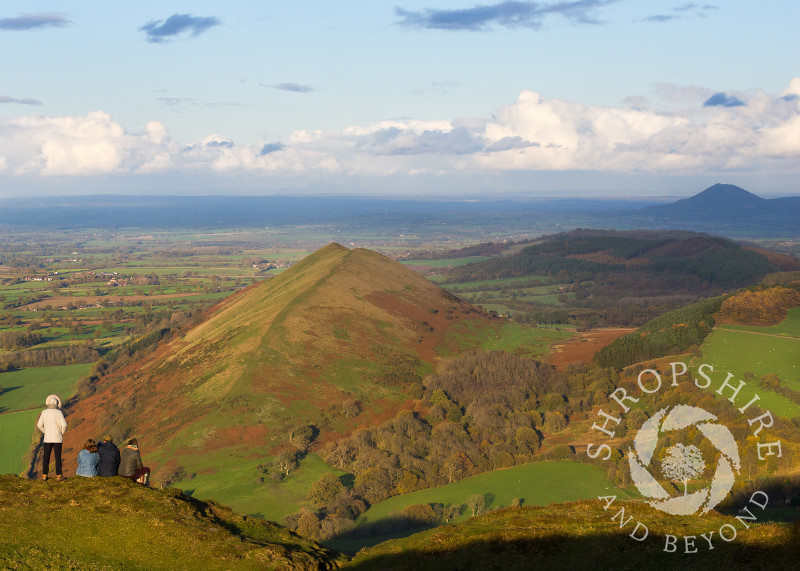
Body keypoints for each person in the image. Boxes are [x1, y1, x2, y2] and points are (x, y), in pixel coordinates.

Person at [36, 394, 67, 481]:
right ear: (57, 404)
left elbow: (39, 425)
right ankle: (59, 475)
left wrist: (45, 431)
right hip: (57, 438)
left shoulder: (44, 412)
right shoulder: (59, 413)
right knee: (57, 457)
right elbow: (64, 425)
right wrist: (61, 432)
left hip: (47, 438)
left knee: (46, 457)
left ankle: (44, 475)